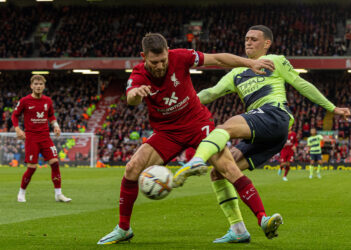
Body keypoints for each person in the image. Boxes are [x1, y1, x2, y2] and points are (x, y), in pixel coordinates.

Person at [173, 25, 351, 243]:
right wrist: (179, 105)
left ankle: (196, 160)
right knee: (220, 172)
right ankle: (247, 226)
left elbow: (301, 84)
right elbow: (210, 93)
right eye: (246, 38)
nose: (248, 42)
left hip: (275, 114)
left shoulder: (275, 61)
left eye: (254, 39)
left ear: (267, 43)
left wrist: (332, 108)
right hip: (267, 134)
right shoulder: (236, 72)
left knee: (223, 129)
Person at [97, 33, 276, 245]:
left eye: (163, 60)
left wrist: (250, 62)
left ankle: (262, 218)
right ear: (143, 56)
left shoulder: (181, 57)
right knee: (132, 168)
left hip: (198, 124)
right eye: (154, 62)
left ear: (167, 52)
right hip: (167, 133)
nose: (161, 65)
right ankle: (124, 229)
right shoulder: (138, 75)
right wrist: (137, 93)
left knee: (228, 168)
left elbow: (217, 59)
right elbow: (131, 99)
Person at [11, 74, 71, 203]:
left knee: (55, 163)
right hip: (31, 138)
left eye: (40, 84)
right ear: (31, 86)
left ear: (44, 86)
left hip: (45, 137)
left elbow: (51, 116)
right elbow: (14, 116)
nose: (38, 86)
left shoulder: (47, 101)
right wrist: (17, 129)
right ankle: (21, 193)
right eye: (36, 84)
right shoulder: (24, 101)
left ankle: (58, 194)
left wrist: (56, 126)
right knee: (32, 167)